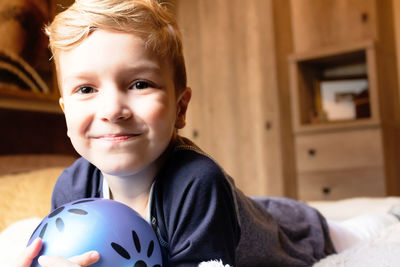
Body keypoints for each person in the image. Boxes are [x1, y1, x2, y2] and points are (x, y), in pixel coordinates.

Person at [14, 0, 399, 266]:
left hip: (293, 233)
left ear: (181, 108)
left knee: (357, 230)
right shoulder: (71, 190)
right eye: (86, 89)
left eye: (140, 84)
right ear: (65, 113)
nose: (113, 110)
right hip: (232, 210)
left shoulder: (196, 184)